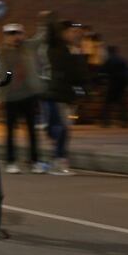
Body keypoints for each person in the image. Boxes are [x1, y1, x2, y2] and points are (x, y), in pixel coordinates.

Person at [40, 15, 89, 176]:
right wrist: (50, 17)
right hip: (55, 92)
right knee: (62, 127)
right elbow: (50, 33)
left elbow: (78, 73)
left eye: (77, 31)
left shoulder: (72, 49)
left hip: (65, 93)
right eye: (71, 31)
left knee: (61, 128)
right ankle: (58, 160)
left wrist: (82, 89)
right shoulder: (55, 46)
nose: (74, 34)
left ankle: (56, 159)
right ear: (62, 32)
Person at [0, 23, 46, 174]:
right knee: (11, 131)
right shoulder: (2, 53)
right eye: (11, 34)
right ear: (5, 37)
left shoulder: (27, 47)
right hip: (11, 97)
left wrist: (45, 21)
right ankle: (11, 161)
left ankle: (35, 161)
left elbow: (41, 38)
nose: (15, 36)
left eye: (18, 33)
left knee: (32, 131)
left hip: (29, 95)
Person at [99, 46, 128, 127]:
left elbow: (103, 72)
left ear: (109, 52)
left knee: (108, 103)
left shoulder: (109, 61)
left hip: (113, 84)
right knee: (122, 103)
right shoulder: (123, 60)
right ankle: (125, 121)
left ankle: (106, 122)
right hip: (122, 84)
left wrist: (100, 82)